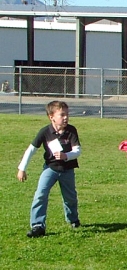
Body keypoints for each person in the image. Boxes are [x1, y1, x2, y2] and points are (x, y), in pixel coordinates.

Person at [17, 101, 82, 238]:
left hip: (67, 169)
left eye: (67, 114)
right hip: (50, 169)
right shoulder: (45, 132)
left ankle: (73, 219)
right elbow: (31, 150)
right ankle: (38, 225)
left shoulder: (71, 130)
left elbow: (77, 150)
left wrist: (66, 156)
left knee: (70, 198)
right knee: (40, 194)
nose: (66, 118)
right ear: (51, 117)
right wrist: (22, 168)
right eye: (62, 115)